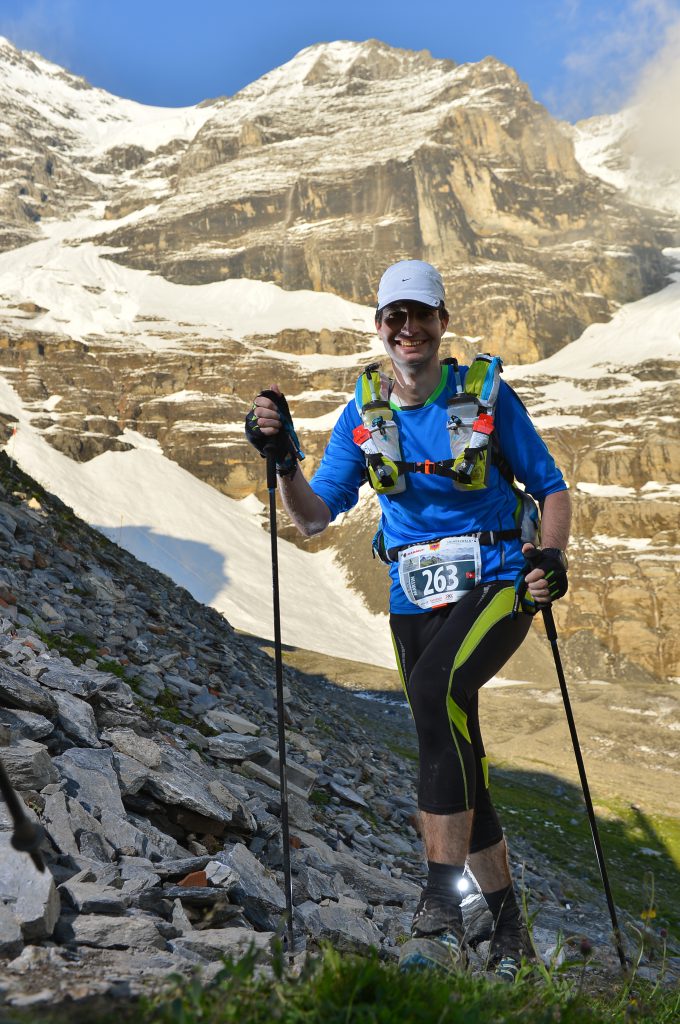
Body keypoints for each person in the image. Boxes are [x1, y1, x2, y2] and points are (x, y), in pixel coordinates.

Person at [245, 260, 571, 979]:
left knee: (432, 694)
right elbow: (312, 517)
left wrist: (551, 557)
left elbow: (550, 487)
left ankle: (439, 909)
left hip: (498, 581)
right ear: (381, 328)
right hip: (411, 595)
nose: (408, 329)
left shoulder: (483, 397)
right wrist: (283, 459)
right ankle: (510, 930)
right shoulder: (365, 413)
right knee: (450, 740)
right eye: (395, 316)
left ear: (441, 323)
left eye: (421, 315)